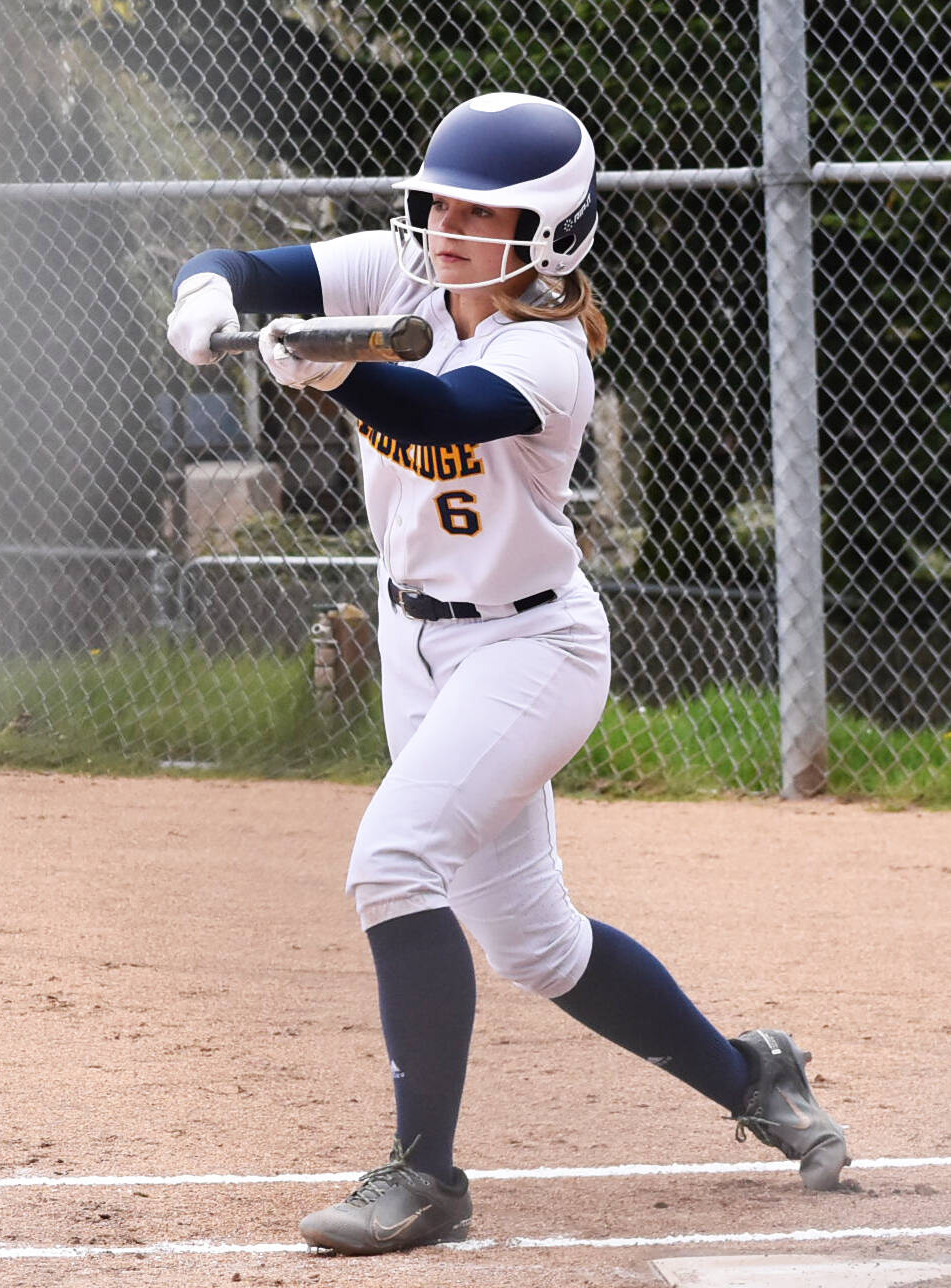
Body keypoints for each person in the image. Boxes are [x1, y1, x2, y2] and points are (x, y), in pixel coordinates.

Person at [166, 92, 848, 1256]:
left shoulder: (547, 354)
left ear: (551, 234)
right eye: (443, 207)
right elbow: (245, 262)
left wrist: (330, 373)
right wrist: (211, 296)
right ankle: (750, 1074)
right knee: (536, 944)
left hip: (529, 648)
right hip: (414, 641)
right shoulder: (397, 268)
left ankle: (425, 1176)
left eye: (486, 217)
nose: (451, 233)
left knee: (391, 860)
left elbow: (438, 415)